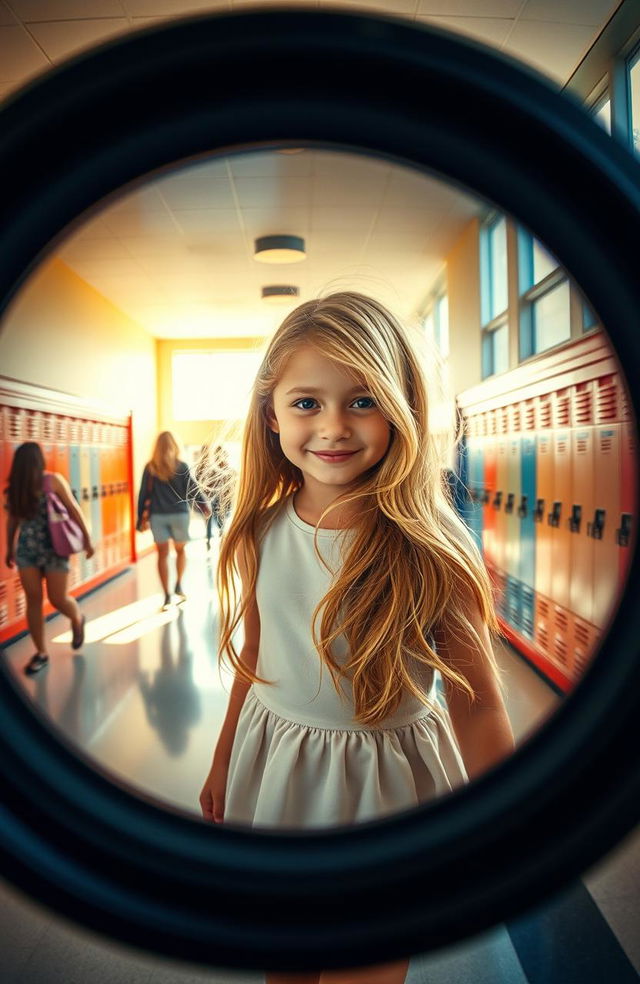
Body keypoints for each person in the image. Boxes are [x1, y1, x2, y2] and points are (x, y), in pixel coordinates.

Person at [199, 293, 515, 984]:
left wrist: (505, 814)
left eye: (364, 400)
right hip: (278, 764)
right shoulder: (259, 531)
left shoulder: (431, 547)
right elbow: (256, 656)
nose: (334, 426)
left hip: (387, 786)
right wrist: (224, 758)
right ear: (271, 415)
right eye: (307, 402)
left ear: (402, 408)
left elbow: (477, 701)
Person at [4, 442, 94, 676]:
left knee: (57, 598)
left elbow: (74, 509)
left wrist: (87, 539)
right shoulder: (16, 488)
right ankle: (41, 652)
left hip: (56, 548)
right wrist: (9, 548)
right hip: (28, 552)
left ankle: (76, 618)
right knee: (33, 600)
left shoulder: (53, 481)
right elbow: (12, 520)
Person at [137, 431, 209, 610]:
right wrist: (204, 505)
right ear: (174, 445)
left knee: (162, 555)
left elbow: (143, 494)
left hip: (158, 516)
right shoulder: (182, 467)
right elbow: (192, 489)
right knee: (180, 551)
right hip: (179, 515)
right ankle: (178, 584)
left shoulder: (150, 467)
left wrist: (140, 519)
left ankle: (167, 595)